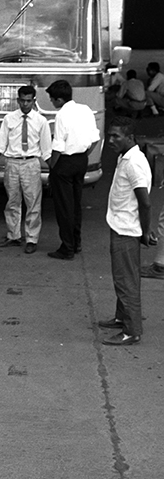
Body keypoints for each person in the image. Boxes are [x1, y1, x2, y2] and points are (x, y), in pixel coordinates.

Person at [97, 117, 152, 345]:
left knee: (126, 281)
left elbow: (145, 202)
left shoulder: (134, 163)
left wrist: (146, 232)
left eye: (115, 136)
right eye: (109, 135)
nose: (110, 140)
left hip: (127, 231)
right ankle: (122, 317)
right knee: (123, 278)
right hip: (120, 224)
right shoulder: (125, 157)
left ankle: (131, 331)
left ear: (129, 137)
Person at [0, 85, 52, 254]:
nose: (25, 104)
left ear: (34, 101)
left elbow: (46, 150)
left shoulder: (40, 121)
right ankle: (13, 235)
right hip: (12, 163)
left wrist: (55, 171)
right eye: (22, 100)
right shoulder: (9, 119)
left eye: (29, 101)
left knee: (33, 203)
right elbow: (0, 146)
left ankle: (31, 238)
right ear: (17, 100)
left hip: (31, 163)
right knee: (12, 201)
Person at [45, 79, 100, 260]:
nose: (52, 103)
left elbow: (58, 146)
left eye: (53, 99)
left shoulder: (62, 116)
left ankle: (66, 247)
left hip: (65, 163)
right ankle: (76, 243)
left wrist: (52, 167)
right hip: (81, 160)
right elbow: (95, 139)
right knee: (76, 204)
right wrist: (82, 153)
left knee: (64, 207)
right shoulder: (85, 109)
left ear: (59, 100)